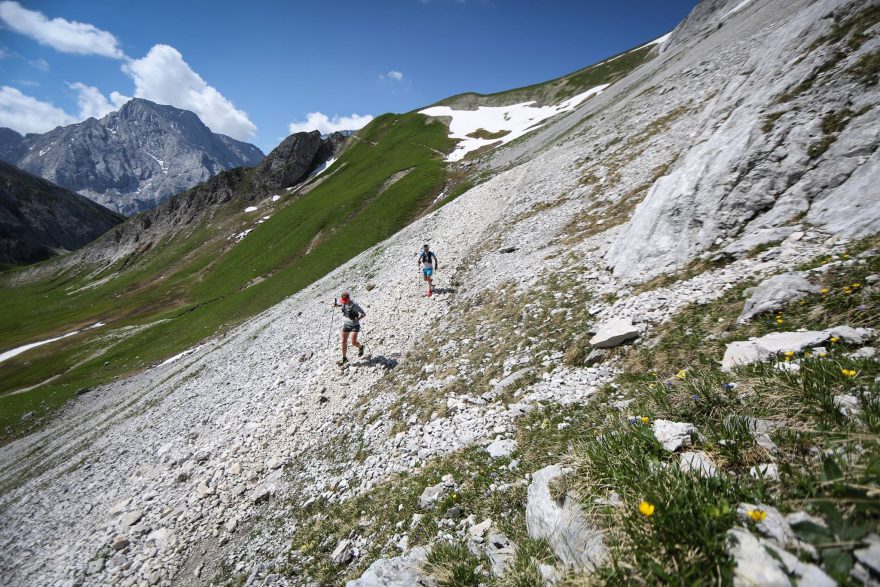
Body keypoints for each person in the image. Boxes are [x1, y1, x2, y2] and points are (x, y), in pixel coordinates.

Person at [332, 291, 365, 365]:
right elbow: (341, 305)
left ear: (349, 298)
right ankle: (344, 359)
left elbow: (363, 313)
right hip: (346, 324)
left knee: (353, 343)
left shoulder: (355, 306)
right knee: (343, 342)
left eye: (345, 300)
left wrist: (358, 319)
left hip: (355, 325)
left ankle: (361, 347)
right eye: (343, 301)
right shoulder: (344, 303)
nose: (344, 302)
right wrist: (336, 305)